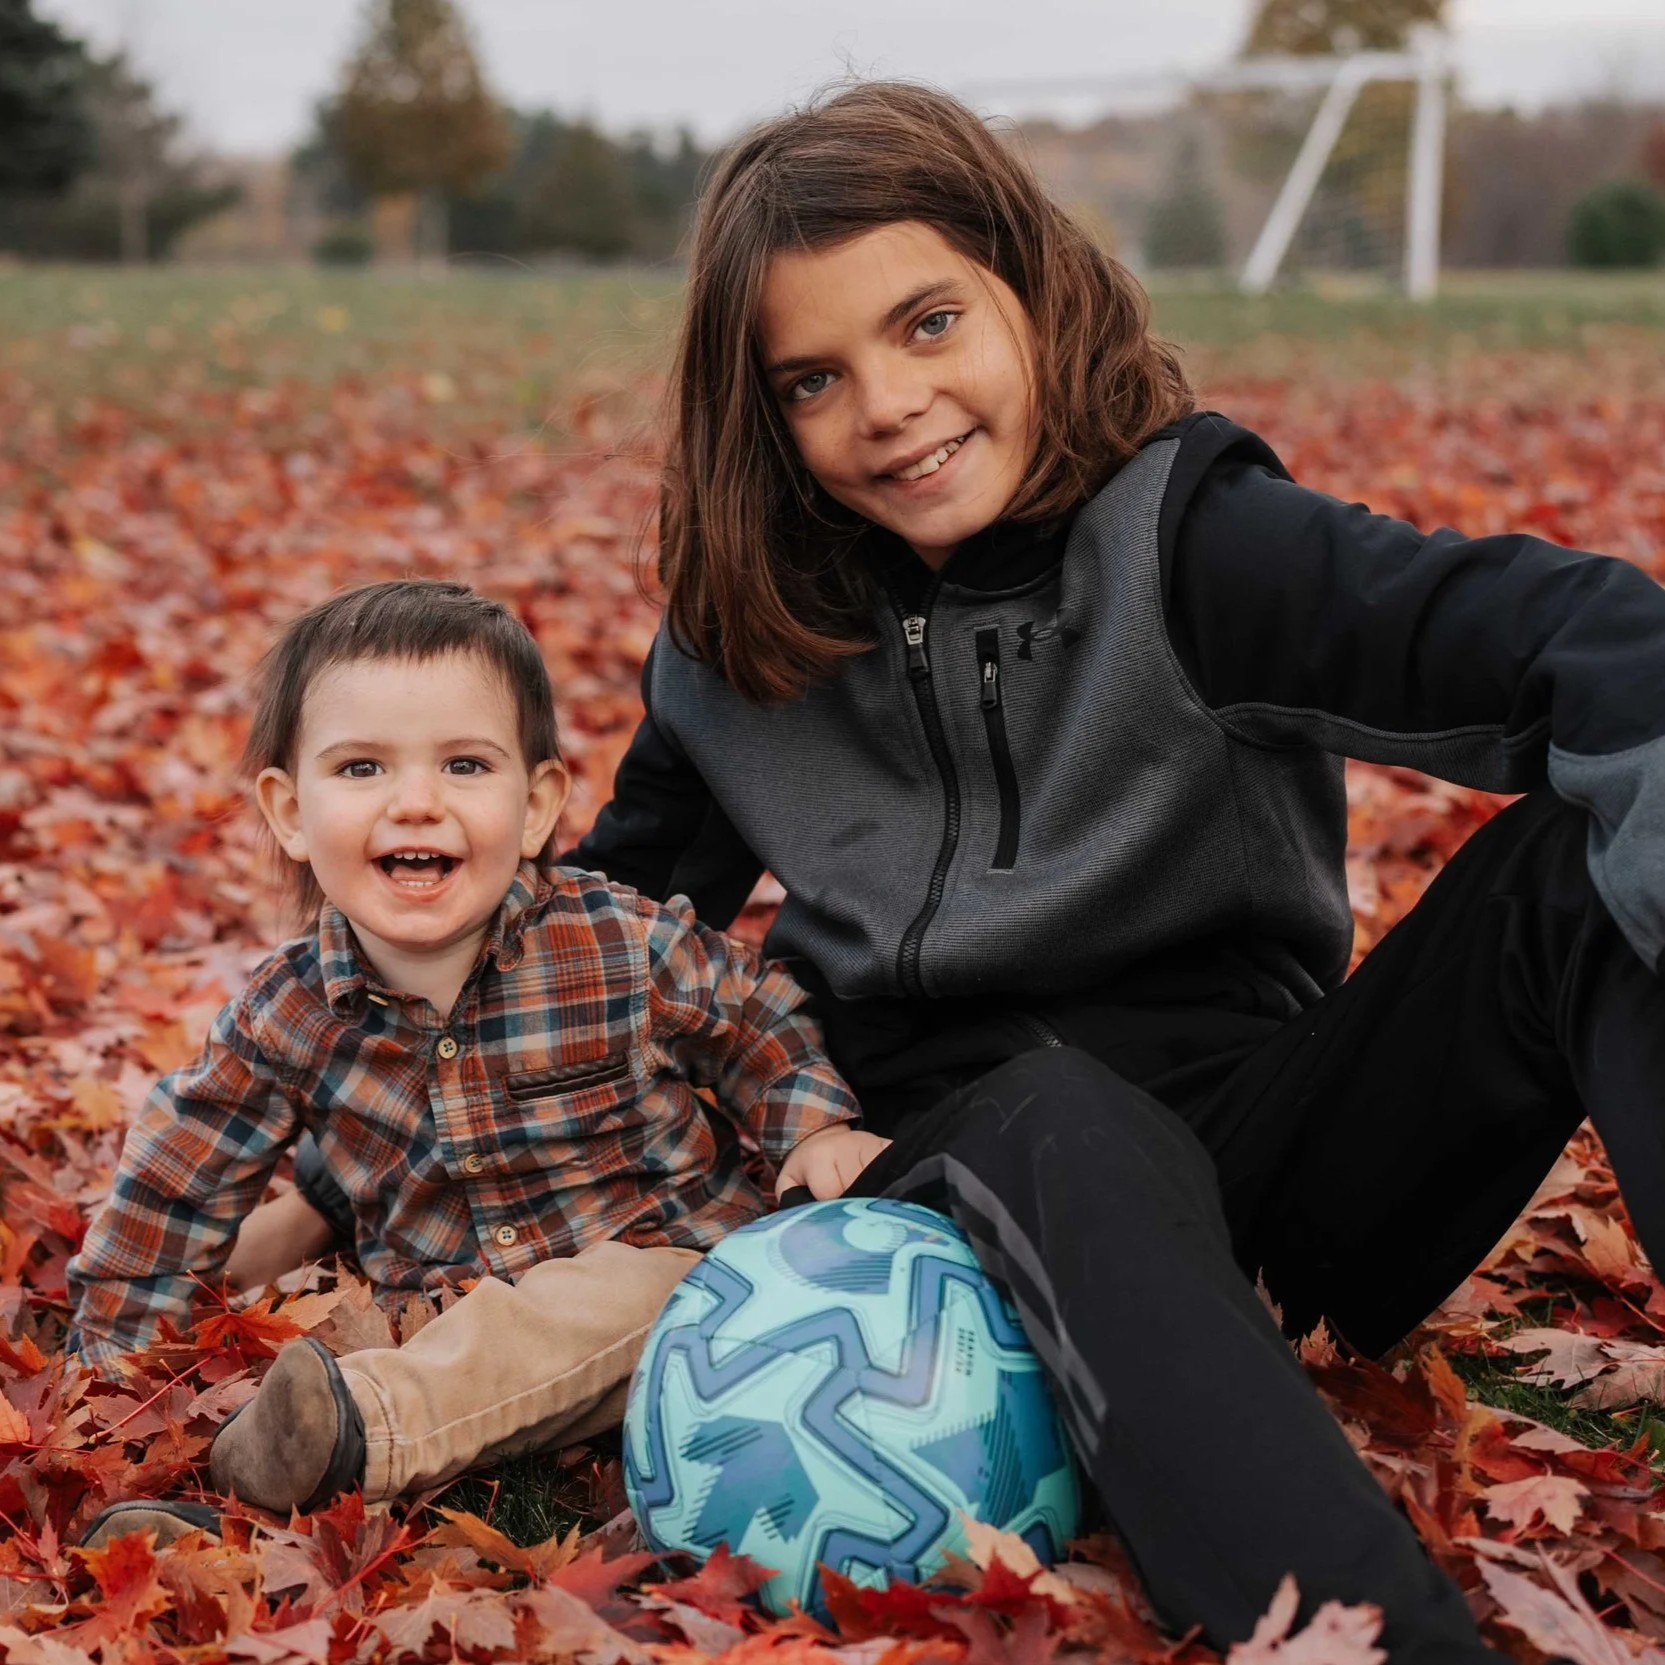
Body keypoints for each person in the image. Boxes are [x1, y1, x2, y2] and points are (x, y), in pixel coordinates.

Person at [217, 82, 1665, 1660]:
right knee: (1055, 1110)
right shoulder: (739, 652)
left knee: (1575, 870)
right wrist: (321, 1171)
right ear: (758, 418)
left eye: (927, 324)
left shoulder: (1195, 544)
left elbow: (1581, 642)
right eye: (812, 379)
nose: (887, 403)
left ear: (1033, 291)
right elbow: (577, 944)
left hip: (1277, 1175)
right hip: (937, 1229)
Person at [67, 579, 882, 1544]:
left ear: (535, 805)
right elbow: (179, 1180)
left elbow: (754, 1017)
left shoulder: (618, 945)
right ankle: (231, 1508)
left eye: (463, 764)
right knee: (379, 1345)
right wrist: (108, 1376)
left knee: (633, 1296)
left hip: (659, 1288)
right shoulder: (285, 1013)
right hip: (435, 1324)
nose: (417, 803)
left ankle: (352, 1439)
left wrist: (813, 1123)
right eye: (362, 768)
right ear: (289, 812)